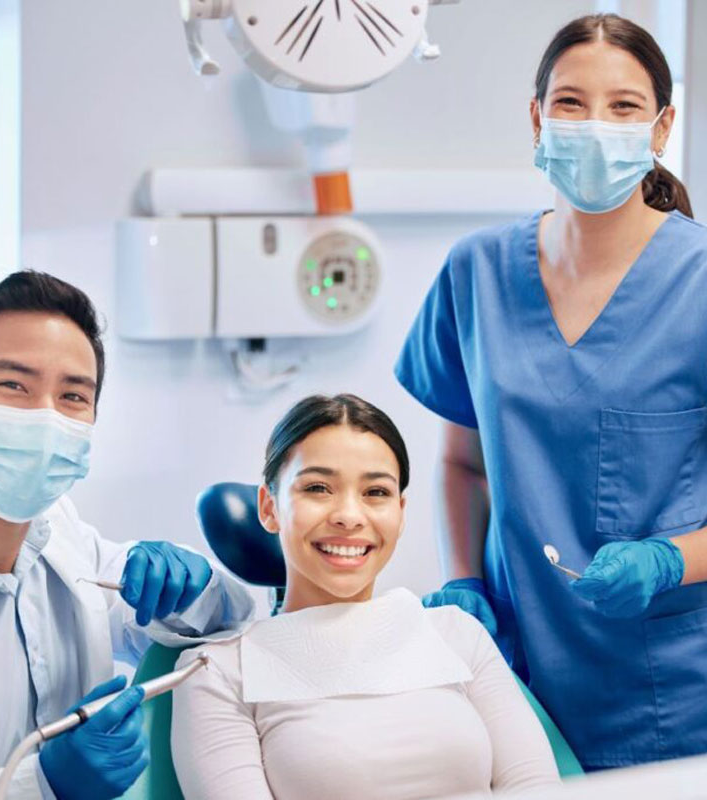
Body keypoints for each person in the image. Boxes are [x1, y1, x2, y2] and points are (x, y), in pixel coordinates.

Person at [397, 12, 707, 772]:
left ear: (661, 128)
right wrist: (463, 578)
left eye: (624, 106)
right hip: (516, 670)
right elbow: (462, 465)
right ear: (537, 117)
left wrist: (669, 561)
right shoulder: (474, 272)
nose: (595, 126)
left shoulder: (699, 283)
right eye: (571, 103)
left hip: (676, 686)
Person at [0, 271, 254, 800]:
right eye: (14, 385)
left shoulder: (57, 536)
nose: (46, 417)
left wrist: (199, 587)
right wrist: (43, 784)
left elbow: (221, 622)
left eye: (72, 395)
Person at [171, 394, 560, 799]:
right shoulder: (217, 673)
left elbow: (536, 788)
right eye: (319, 488)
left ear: (400, 511)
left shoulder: (457, 635)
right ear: (269, 508)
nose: (350, 516)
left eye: (376, 492)